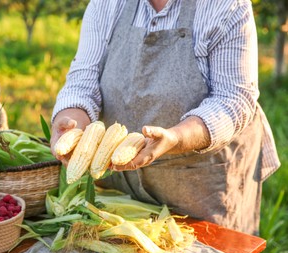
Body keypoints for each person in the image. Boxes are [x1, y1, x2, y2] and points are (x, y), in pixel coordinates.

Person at [50, 0, 280, 236]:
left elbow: (232, 99)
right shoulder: (106, 4)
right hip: (122, 185)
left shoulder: (226, 5)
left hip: (201, 188)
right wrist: (70, 121)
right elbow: (82, 82)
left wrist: (176, 137)